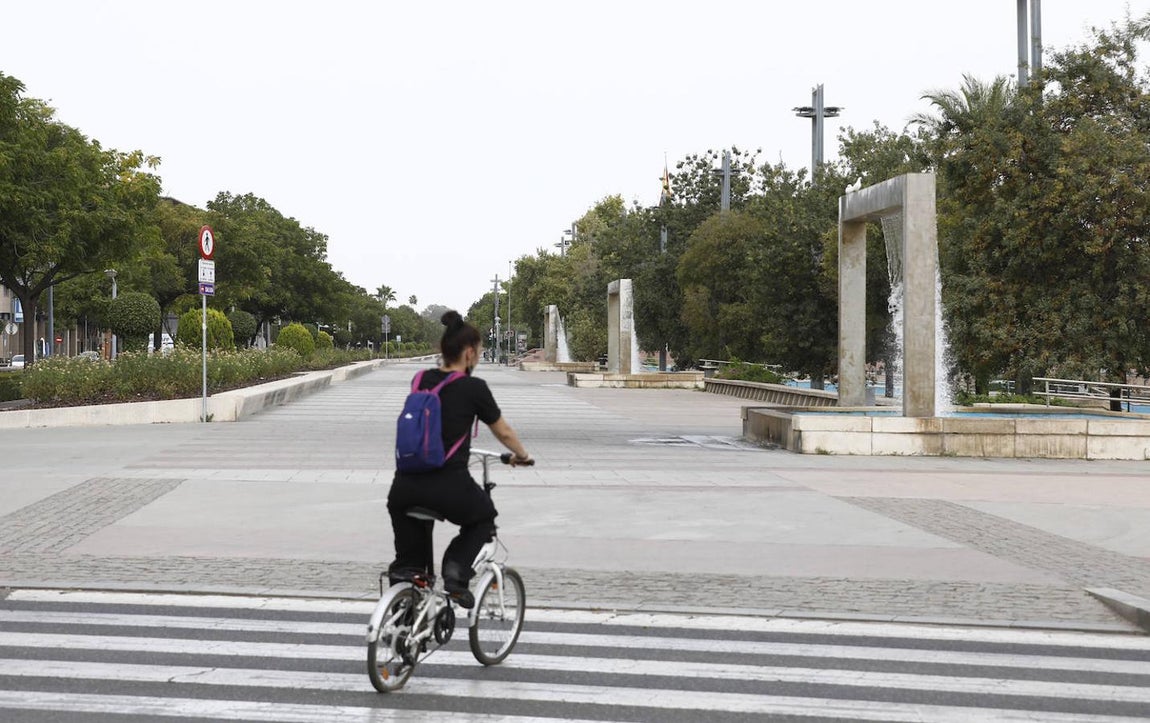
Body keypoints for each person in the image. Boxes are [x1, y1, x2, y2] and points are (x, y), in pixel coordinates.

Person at [387, 310, 531, 608]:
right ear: (468, 353)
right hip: (447, 485)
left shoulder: (420, 379)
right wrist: (522, 455)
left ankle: (402, 616)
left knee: (409, 566)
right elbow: (502, 431)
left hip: (404, 486)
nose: (477, 357)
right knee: (483, 517)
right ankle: (455, 573)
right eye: (477, 352)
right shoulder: (473, 387)